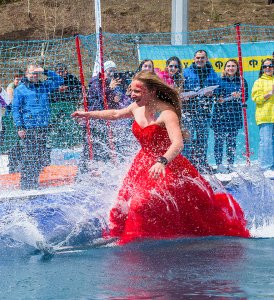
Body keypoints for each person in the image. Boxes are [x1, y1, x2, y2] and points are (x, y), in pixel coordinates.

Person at [72, 71, 249, 245]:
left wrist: (162, 161)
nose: (131, 95)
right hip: (142, 165)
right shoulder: (136, 107)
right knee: (125, 203)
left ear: (152, 91)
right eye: (130, 90)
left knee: (145, 204)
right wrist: (88, 115)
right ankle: (136, 235)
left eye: (137, 91)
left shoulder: (167, 113)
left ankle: (144, 237)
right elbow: (115, 114)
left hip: (168, 165)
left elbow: (178, 144)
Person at [12, 63, 63, 190]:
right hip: (29, 127)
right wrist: (19, 127)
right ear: (26, 73)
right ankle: (25, 183)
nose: (34, 75)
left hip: (43, 126)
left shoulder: (44, 86)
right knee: (29, 156)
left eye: (36, 73)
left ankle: (34, 181)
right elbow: (16, 109)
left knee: (40, 156)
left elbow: (60, 80)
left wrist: (45, 70)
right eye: (32, 73)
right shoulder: (20, 89)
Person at [79, 60, 132, 172]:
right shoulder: (95, 82)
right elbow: (99, 100)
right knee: (90, 148)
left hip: (104, 120)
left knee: (105, 147)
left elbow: (110, 103)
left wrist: (117, 98)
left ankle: (102, 170)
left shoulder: (110, 83)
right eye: (109, 71)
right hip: (93, 120)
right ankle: (83, 172)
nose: (112, 74)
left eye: (114, 71)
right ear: (103, 71)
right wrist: (110, 89)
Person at [183, 49, 221, 172]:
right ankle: (187, 165)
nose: (200, 60)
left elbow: (219, 88)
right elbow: (179, 90)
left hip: (205, 113)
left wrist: (213, 92)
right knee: (187, 140)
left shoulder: (212, 73)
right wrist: (186, 95)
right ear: (194, 59)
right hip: (189, 112)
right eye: (198, 58)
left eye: (202, 58)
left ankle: (202, 163)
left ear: (206, 59)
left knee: (202, 139)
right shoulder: (186, 73)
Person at [212, 59, 247, 173]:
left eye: (233, 66)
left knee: (231, 141)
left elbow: (245, 97)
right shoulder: (219, 80)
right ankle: (219, 164)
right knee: (219, 140)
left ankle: (230, 164)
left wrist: (239, 96)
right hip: (220, 115)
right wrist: (219, 99)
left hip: (234, 115)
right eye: (228, 66)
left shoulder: (241, 81)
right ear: (225, 68)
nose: (230, 68)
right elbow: (214, 96)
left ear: (237, 68)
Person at [251, 58, 274, 174]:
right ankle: (265, 167)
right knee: (266, 142)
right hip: (265, 116)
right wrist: (270, 94)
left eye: (270, 66)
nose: (268, 68)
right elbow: (256, 99)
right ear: (262, 69)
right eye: (265, 66)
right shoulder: (259, 82)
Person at [5, 70, 25, 173]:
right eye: (17, 79)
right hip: (12, 117)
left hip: (23, 117)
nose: (19, 81)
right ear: (14, 80)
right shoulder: (11, 87)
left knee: (23, 142)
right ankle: (12, 166)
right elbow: (13, 102)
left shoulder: (24, 87)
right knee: (13, 143)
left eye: (21, 79)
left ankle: (22, 164)